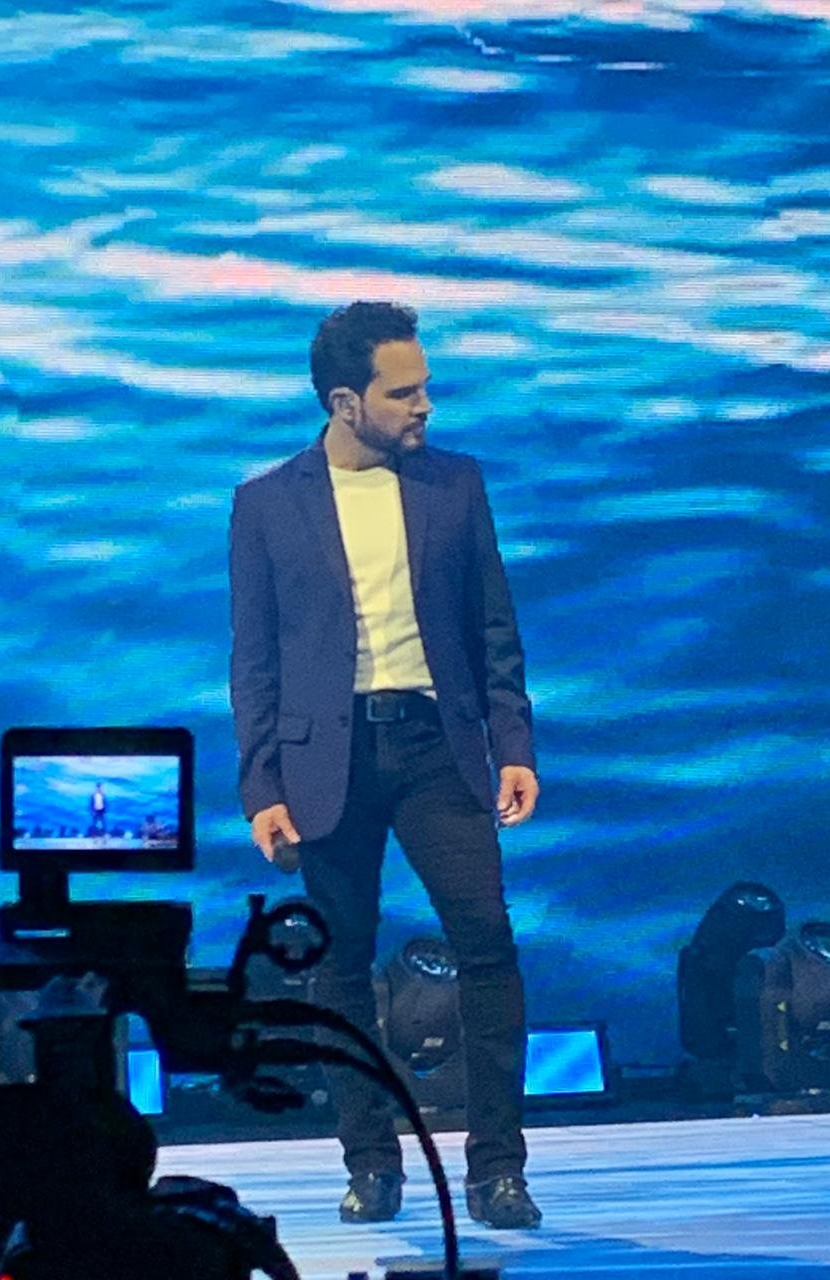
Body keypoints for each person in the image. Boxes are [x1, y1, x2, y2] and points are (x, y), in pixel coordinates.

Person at [229, 301, 541, 1230]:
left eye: (425, 387)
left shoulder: (456, 484)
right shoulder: (266, 504)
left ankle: (498, 1171)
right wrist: (261, 786)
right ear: (345, 402)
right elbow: (255, 661)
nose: (425, 406)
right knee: (341, 966)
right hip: (328, 759)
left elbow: (494, 629)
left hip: (437, 747)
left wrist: (514, 746)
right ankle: (371, 1163)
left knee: (486, 942)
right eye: (403, 392)